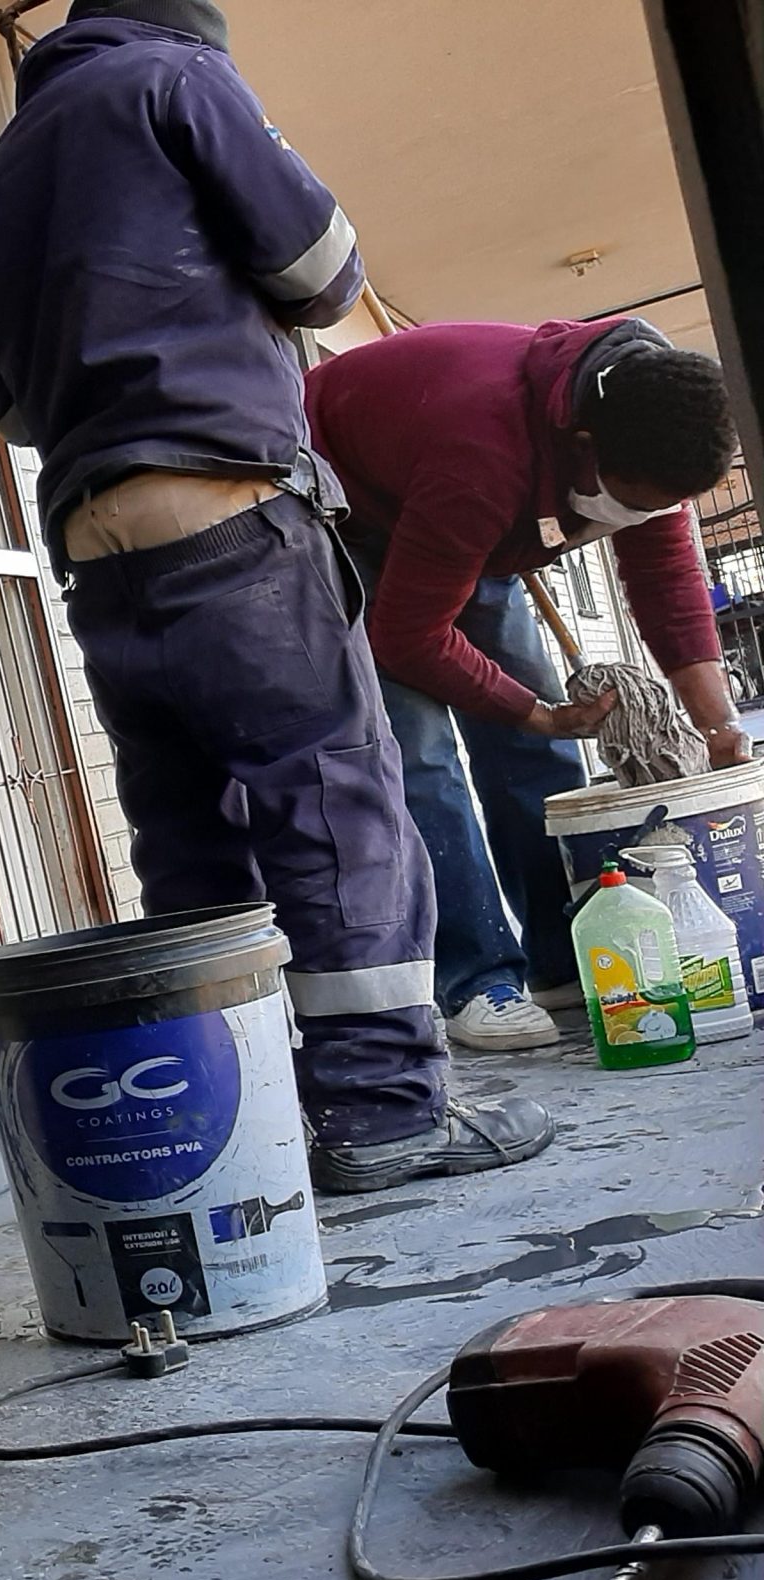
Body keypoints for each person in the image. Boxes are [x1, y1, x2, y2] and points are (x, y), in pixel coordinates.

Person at [0, 0, 550, 1195]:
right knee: (331, 800)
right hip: (227, 505)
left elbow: (9, 411)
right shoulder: (174, 81)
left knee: (188, 831)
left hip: (95, 539)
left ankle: (241, 1118)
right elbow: (321, 273)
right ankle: (383, 1110)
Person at [305, 321, 752, 1050]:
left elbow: (667, 583)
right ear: (583, 445)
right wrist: (535, 711)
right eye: (629, 500)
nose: (634, 518)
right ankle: (478, 981)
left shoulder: (649, 425)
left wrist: (717, 724)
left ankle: (564, 956)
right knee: (422, 758)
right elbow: (409, 638)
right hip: (344, 517)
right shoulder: (482, 453)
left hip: (465, 521)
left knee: (540, 757)